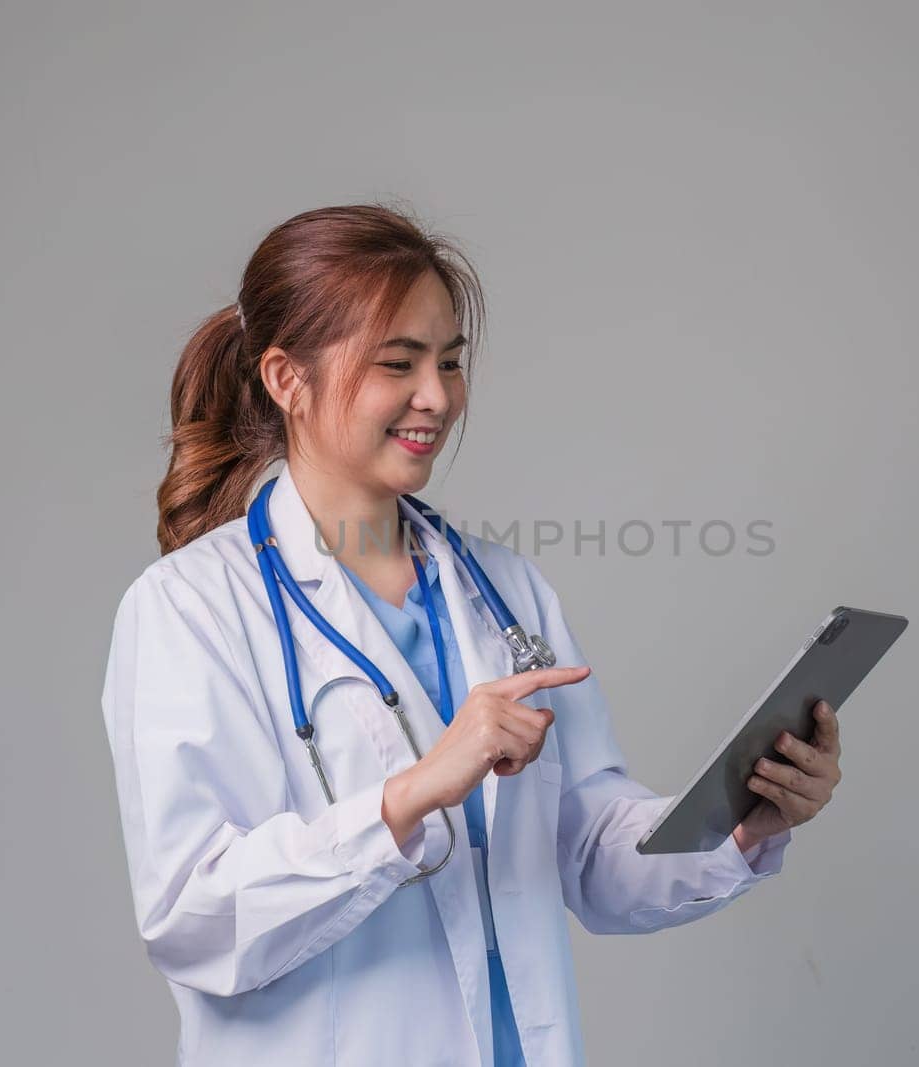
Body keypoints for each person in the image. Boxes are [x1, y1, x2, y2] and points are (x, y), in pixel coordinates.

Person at [99, 204, 845, 1066]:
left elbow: (592, 857)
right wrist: (411, 795)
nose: (438, 396)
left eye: (450, 361)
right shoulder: (190, 608)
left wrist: (744, 822)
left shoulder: (505, 591)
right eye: (399, 363)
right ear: (285, 378)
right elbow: (194, 921)